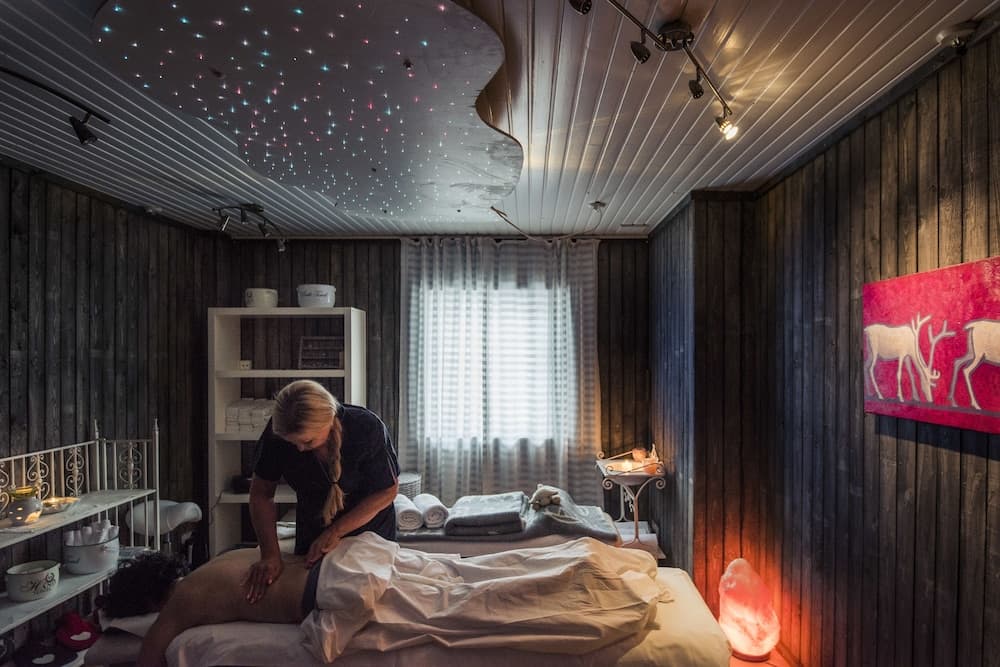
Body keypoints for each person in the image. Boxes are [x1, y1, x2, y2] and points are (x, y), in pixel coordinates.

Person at [107, 533, 664, 667]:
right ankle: (578, 570)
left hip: (337, 588)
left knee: (463, 603)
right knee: (463, 580)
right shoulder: (224, 557)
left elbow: (151, 655)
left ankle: (579, 584)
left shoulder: (183, 600)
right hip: (349, 563)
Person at [245, 379, 399, 603]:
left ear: (328, 421)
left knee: (367, 598)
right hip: (314, 527)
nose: (299, 449)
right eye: (293, 443)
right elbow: (261, 493)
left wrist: (336, 532)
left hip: (369, 528)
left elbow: (388, 491)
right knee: (315, 596)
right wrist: (269, 554)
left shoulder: (365, 427)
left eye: (307, 442)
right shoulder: (277, 435)